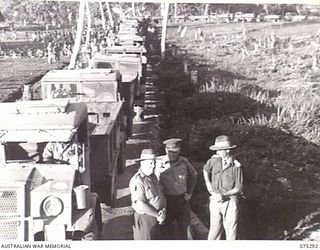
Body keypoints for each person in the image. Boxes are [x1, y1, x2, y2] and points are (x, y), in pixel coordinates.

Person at [203, 135, 243, 240]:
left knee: (230, 229)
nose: (217, 153)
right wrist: (208, 183)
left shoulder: (236, 166)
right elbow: (205, 169)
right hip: (215, 199)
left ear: (228, 150)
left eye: (220, 150)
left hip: (230, 200)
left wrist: (224, 194)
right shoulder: (213, 161)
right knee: (214, 230)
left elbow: (238, 188)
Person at [156, 138, 197, 240]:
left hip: (181, 200)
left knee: (186, 228)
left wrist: (190, 193)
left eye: (175, 152)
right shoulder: (158, 162)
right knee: (166, 229)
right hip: (166, 200)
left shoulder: (184, 162)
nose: (173, 154)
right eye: (170, 152)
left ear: (179, 151)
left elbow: (194, 175)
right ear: (166, 150)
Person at [129, 149, 166, 240]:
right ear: (142, 163)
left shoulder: (153, 177)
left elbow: (160, 195)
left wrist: (163, 211)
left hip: (157, 218)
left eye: (154, 163)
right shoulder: (138, 180)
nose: (153, 166)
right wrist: (158, 215)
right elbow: (140, 204)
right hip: (145, 220)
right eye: (150, 163)